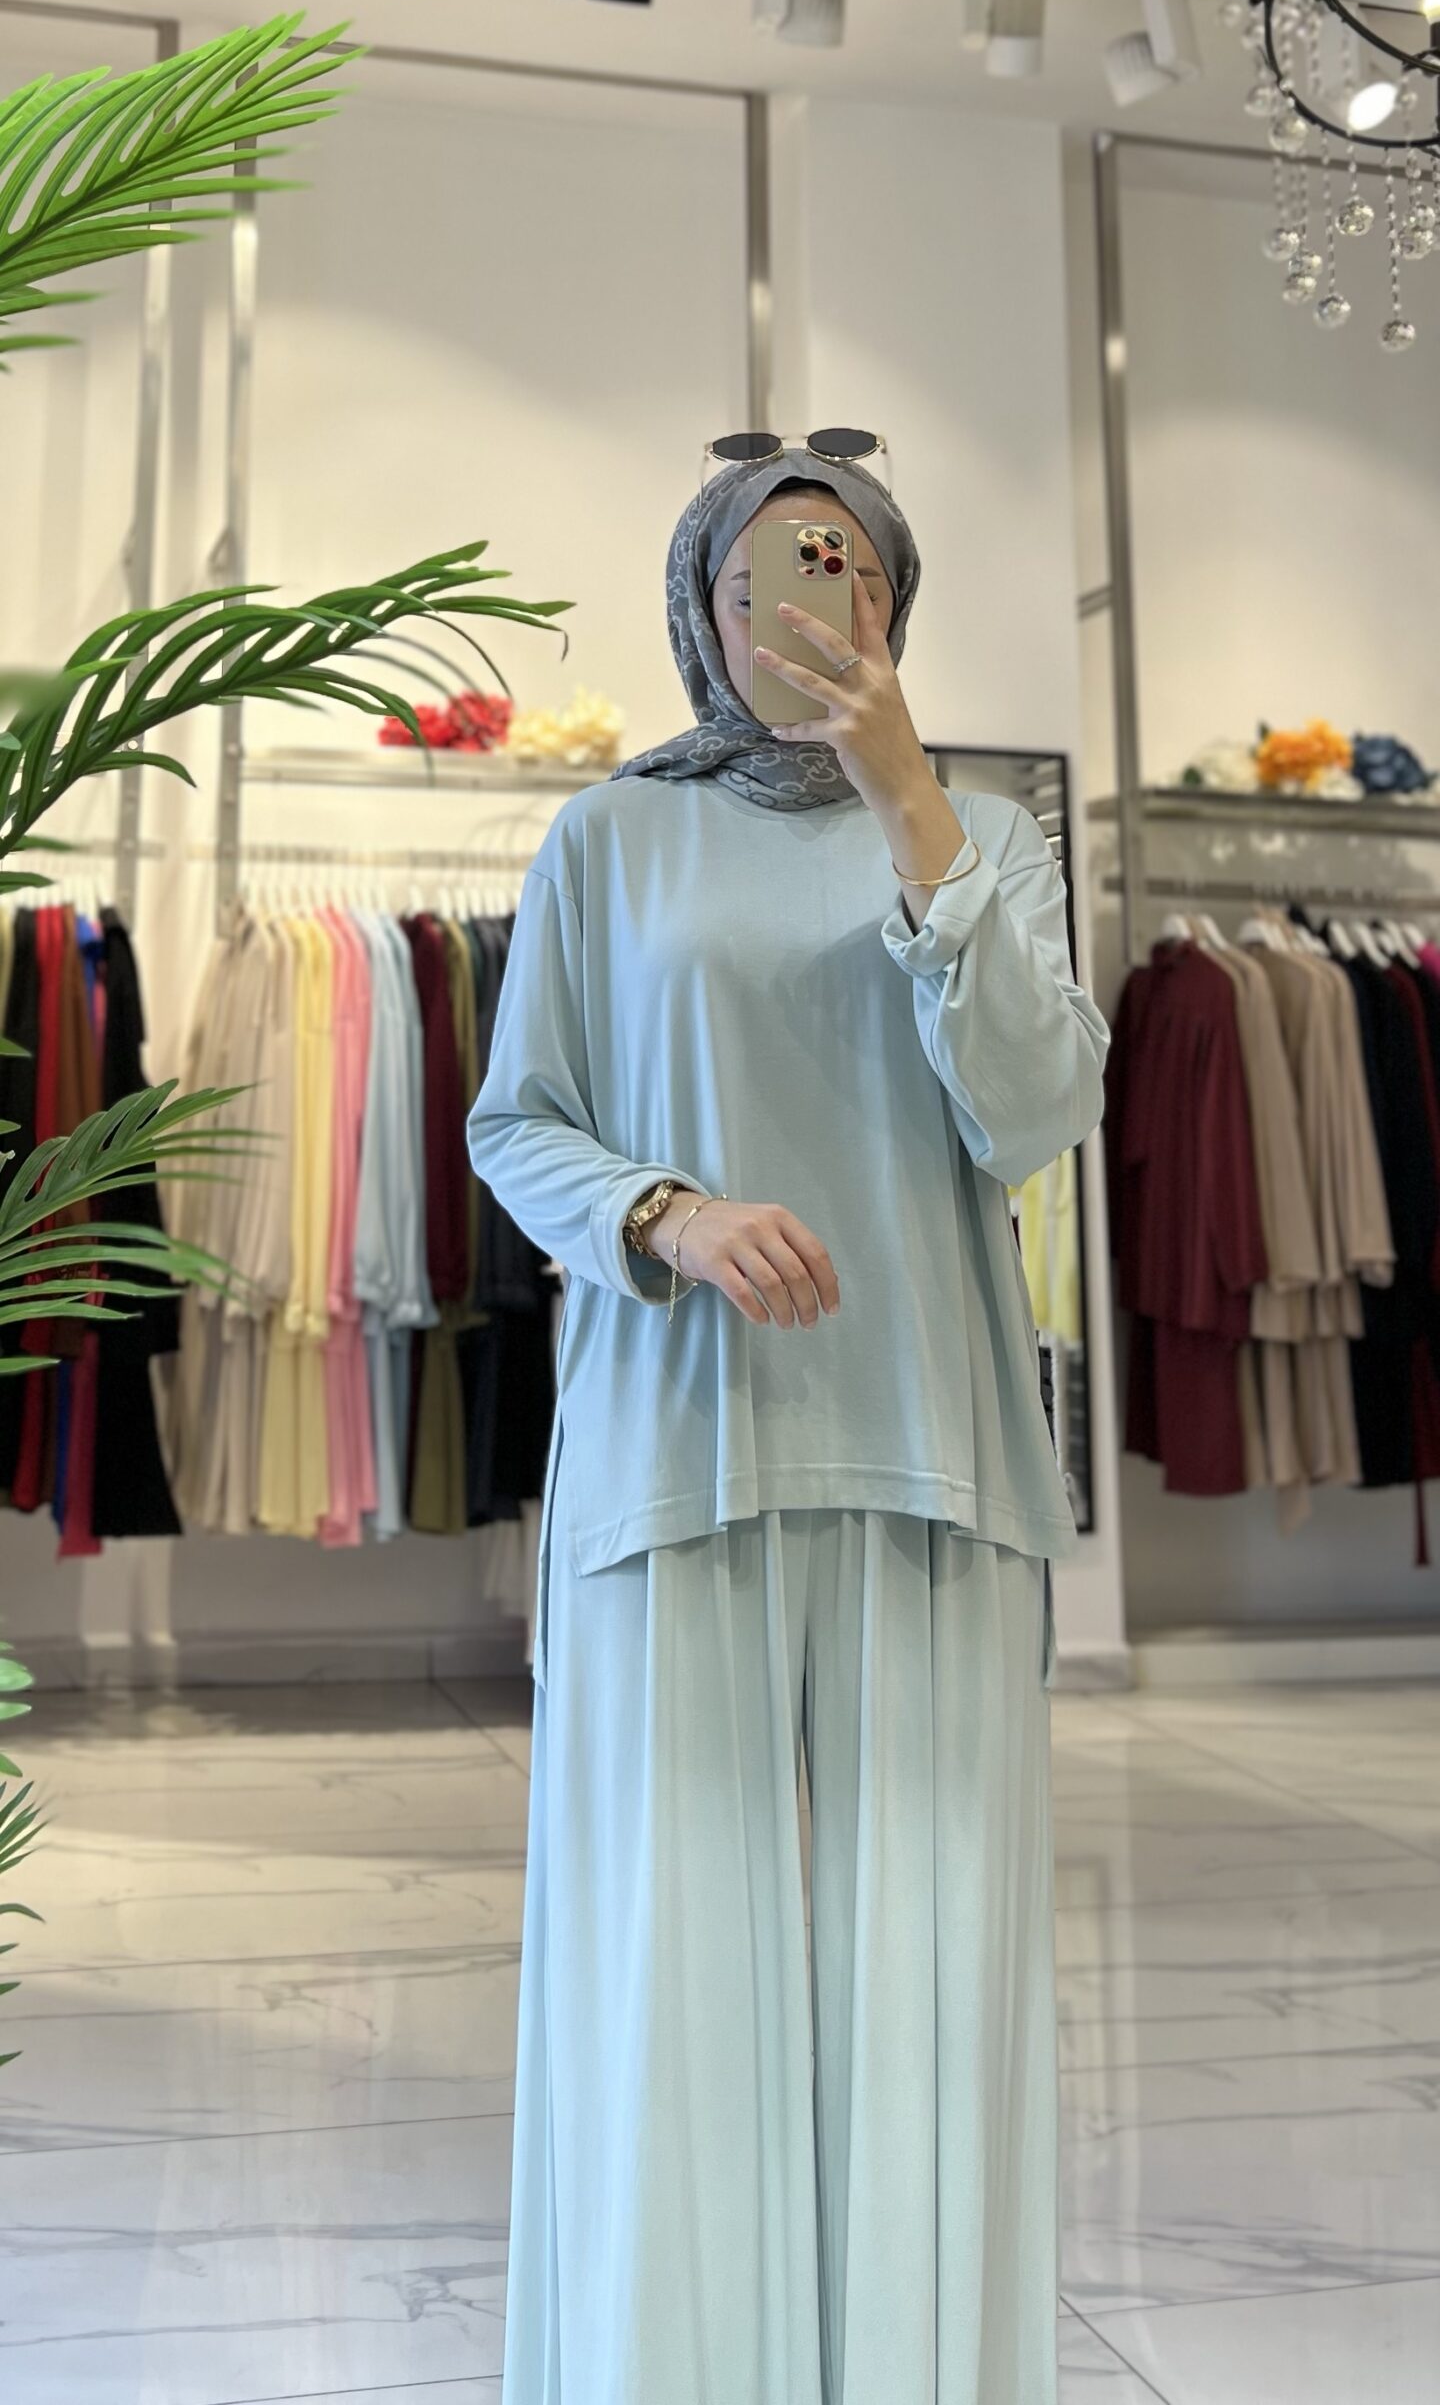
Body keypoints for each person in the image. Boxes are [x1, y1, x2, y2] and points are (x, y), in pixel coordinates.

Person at [467, 443, 1109, 2405]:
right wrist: (665, 1211)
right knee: (670, 1978)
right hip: (676, 1457)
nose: (812, 612)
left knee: (930, 1988)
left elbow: (1035, 1109)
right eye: (767, 578)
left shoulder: (988, 834)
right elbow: (518, 1121)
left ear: (895, 602)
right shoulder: (607, 839)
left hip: (935, 1458)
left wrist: (911, 801)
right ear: (703, 606)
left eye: (853, 574)